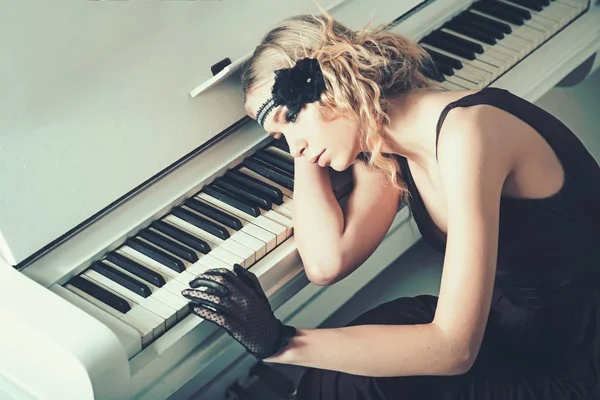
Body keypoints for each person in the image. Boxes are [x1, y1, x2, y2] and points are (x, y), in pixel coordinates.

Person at [180, 7, 600, 400]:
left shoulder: (470, 133)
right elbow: (326, 263)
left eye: (290, 118)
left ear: (334, 80)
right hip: (509, 328)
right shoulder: (388, 147)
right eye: (278, 139)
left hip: (569, 360)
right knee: (346, 367)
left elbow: (455, 349)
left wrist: (277, 343)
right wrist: (303, 147)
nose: (294, 147)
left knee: (349, 381)